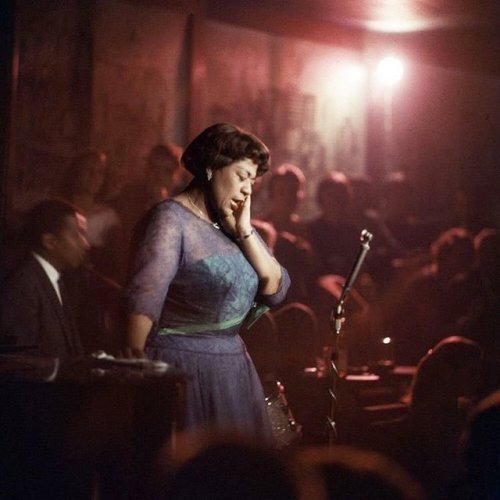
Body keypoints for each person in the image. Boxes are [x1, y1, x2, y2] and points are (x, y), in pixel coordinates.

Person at [123, 123, 290, 441]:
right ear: (212, 167)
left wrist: (244, 231)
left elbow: (276, 288)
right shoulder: (169, 220)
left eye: (253, 182)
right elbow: (142, 301)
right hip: (186, 371)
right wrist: (138, 382)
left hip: (233, 372)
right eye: (242, 177)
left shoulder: (232, 226)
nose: (248, 190)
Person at [0, 199, 89, 358]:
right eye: (76, 235)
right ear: (49, 241)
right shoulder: (23, 286)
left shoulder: (54, 280)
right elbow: (19, 362)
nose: (85, 244)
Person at [60, 149, 125, 284]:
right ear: (76, 172)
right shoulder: (58, 209)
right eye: (88, 169)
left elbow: (116, 263)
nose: (93, 176)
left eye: (99, 172)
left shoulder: (108, 218)